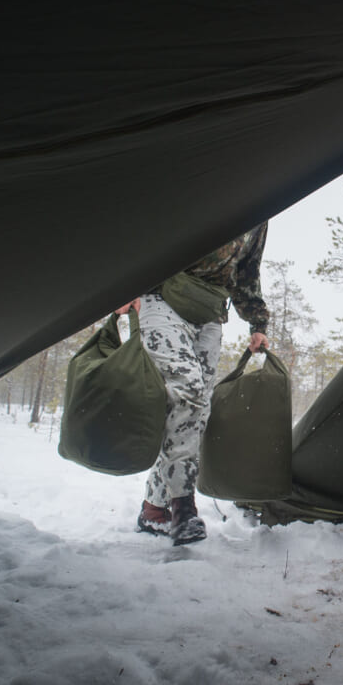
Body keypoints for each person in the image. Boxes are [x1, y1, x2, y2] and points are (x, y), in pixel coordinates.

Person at [116, 223, 270, 545]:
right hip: (161, 299)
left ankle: (154, 510)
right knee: (188, 393)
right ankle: (182, 508)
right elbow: (149, 231)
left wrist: (257, 321)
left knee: (194, 414)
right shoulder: (208, 177)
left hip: (210, 313)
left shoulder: (262, 209)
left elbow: (247, 270)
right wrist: (122, 285)